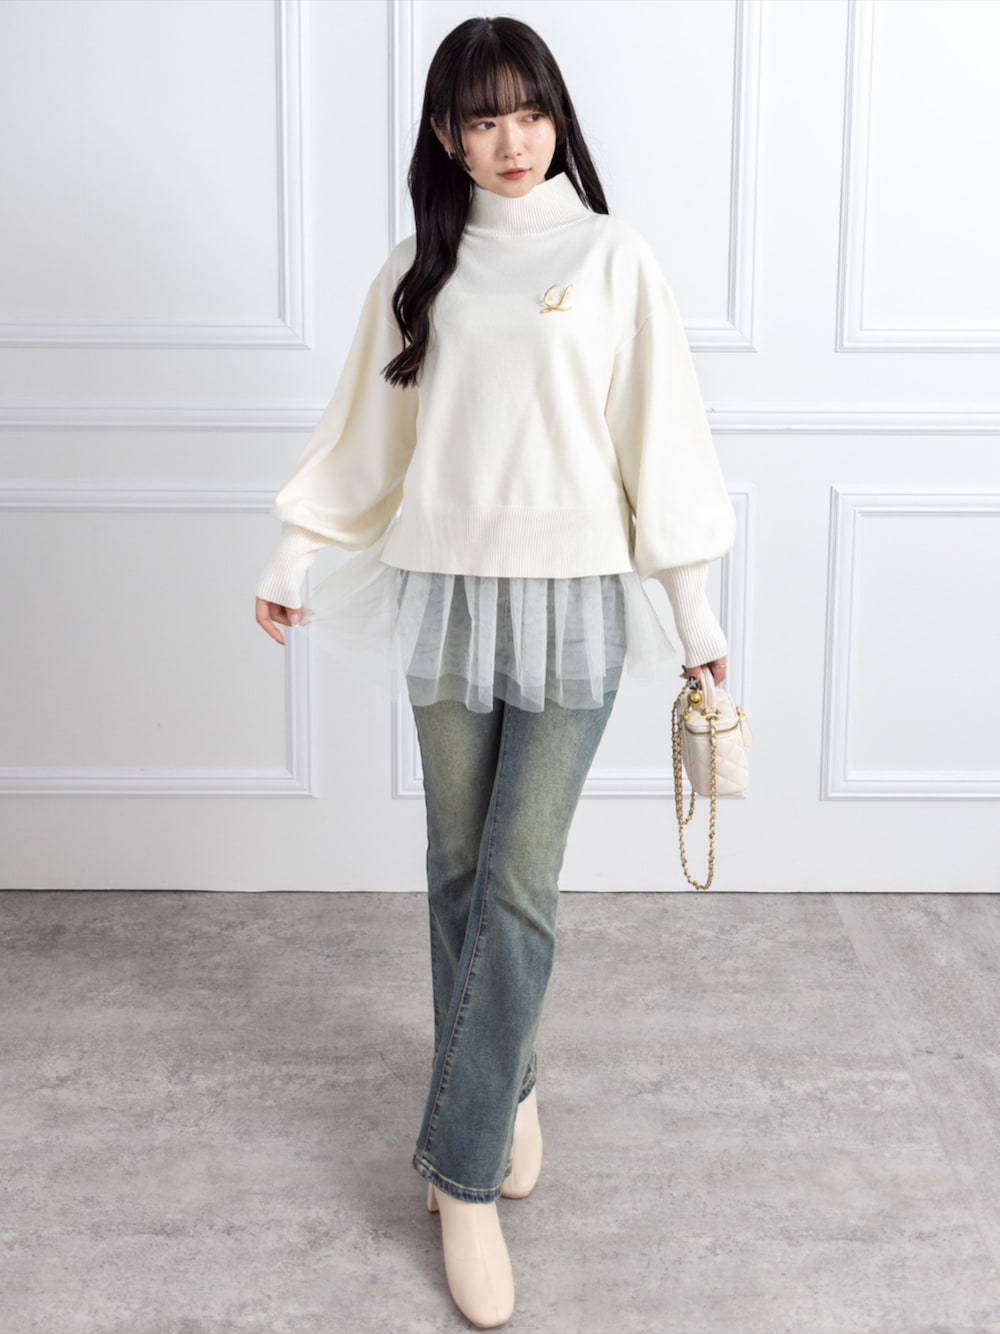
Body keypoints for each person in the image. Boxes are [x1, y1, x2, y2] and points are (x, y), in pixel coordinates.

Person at [254, 15, 735, 1328]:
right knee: (458, 870)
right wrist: (296, 555)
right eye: (483, 118)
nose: (511, 141)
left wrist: (694, 610)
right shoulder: (423, 268)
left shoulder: (613, 256)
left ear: (557, 118)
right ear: (445, 134)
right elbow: (367, 439)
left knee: (517, 882)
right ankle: (507, 1082)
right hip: (450, 596)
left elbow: (662, 442)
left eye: (530, 113)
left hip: (578, 601)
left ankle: (460, 1175)